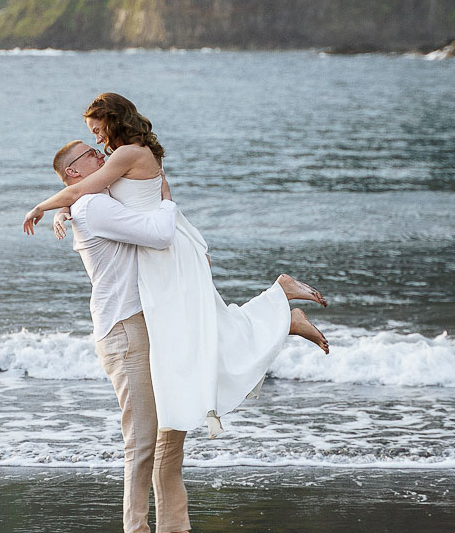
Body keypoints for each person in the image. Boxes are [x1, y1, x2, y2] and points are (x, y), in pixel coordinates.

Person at [26, 133, 329, 533]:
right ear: (74, 172)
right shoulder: (94, 205)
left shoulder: (99, 197)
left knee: (172, 426)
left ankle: (172, 528)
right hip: (125, 330)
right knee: (142, 438)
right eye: (92, 154)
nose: (102, 154)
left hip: (152, 321)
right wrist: (166, 200)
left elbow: (120, 204)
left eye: (100, 147)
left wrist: (58, 209)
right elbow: (159, 233)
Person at [23, 94, 328, 439]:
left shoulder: (126, 154)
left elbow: (83, 189)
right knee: (203, 325)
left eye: (97, 129)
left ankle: (281, 309)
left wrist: (41, 207)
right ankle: (281, 313)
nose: (96, 139)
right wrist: (62, 211)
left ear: (112, 119)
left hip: (165, 247)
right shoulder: (125, 154)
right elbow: (85, 191)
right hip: (164, 244)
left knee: (199, 329)